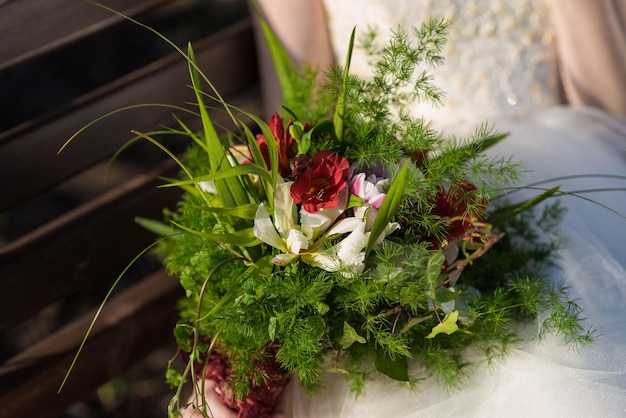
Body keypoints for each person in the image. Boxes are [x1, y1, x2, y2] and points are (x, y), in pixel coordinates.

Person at [189, 0, 626, 416]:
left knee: (569, 320)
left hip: (558, 162)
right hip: (397, 182)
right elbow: (307, 124)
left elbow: (610, 108)